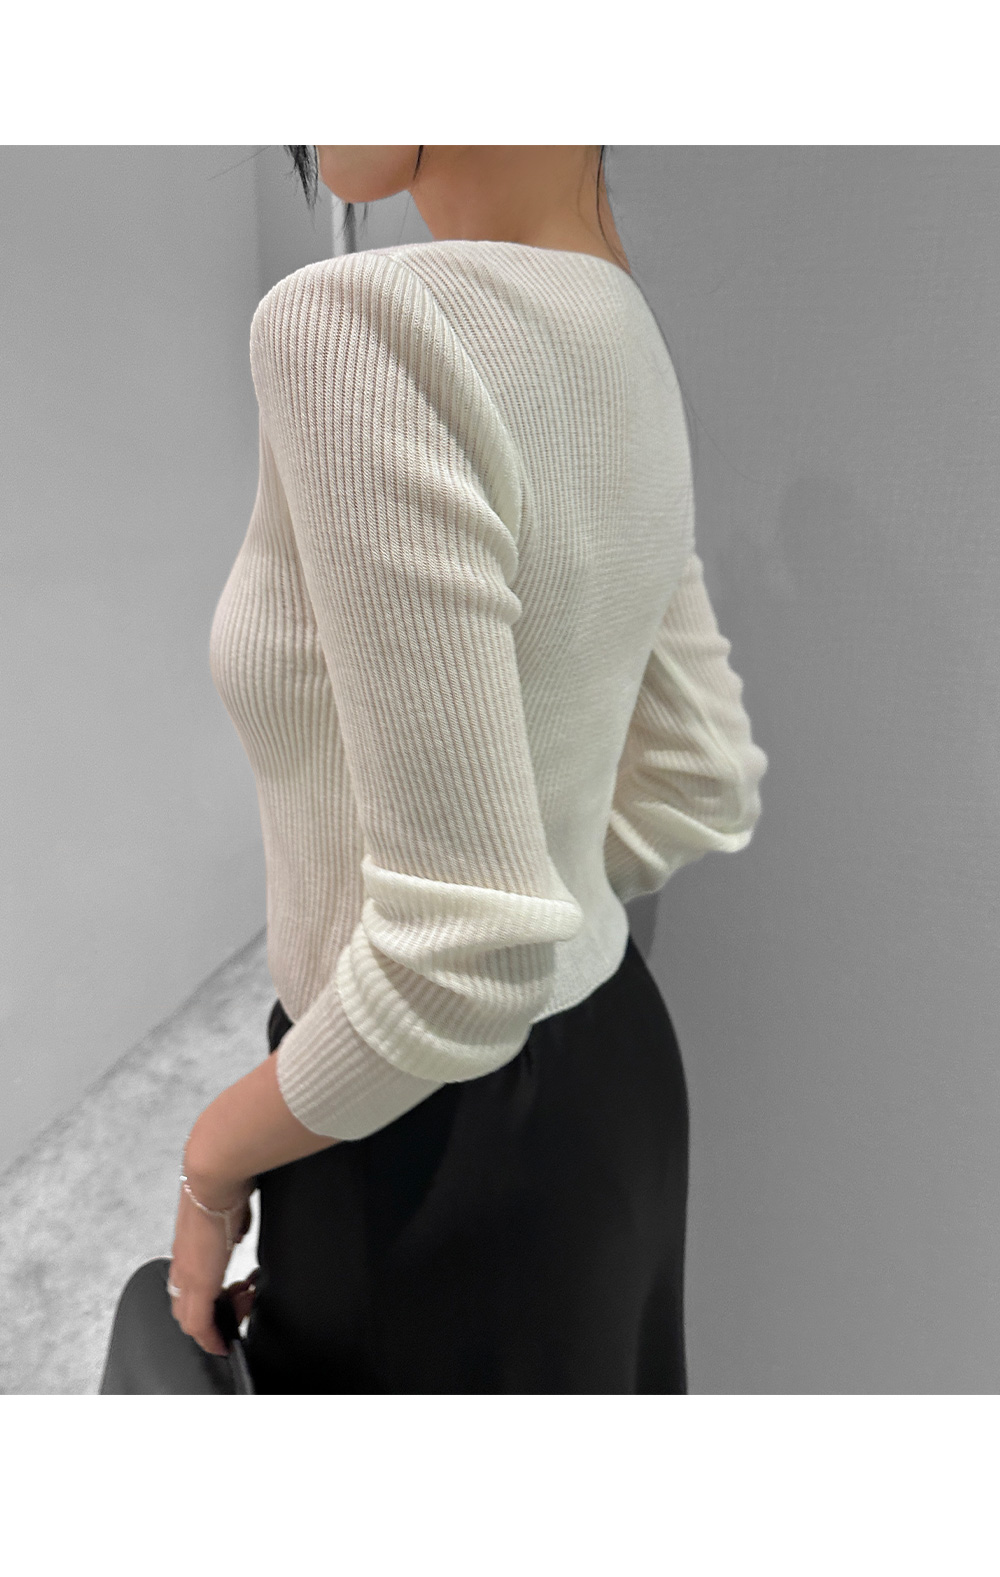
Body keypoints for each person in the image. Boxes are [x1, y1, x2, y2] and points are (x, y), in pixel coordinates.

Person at [166, 146, 769, 1393]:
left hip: (419, 1141)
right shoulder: (621, 328)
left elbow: (457, 965)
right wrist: (539, 891)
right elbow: (701, 772)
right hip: (608, 1089)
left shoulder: (358, 323)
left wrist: (214, 1157)